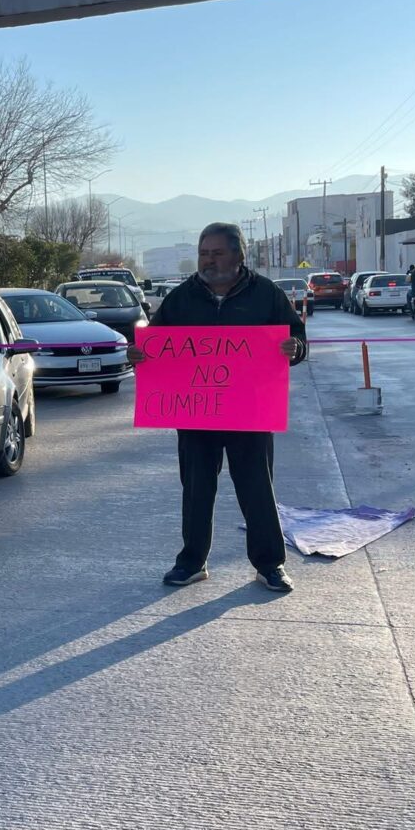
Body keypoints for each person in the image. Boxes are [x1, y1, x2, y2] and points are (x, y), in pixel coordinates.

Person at [128, 223, 307, 594]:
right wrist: (139, 353)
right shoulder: (181, 298)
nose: (209, 260)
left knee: (257, 488)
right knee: (195, 489)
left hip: (250, 413)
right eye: (203, 253)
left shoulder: (266, 295)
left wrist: (295, 350)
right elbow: (155, 342)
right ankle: (192, 562)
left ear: (238, 255)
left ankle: (269, 565)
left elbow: (297, 338)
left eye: (217, 253)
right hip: (196, 415)